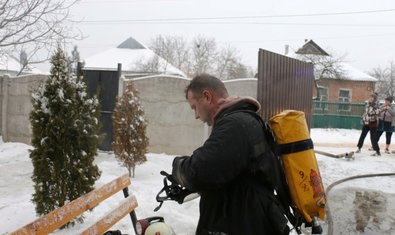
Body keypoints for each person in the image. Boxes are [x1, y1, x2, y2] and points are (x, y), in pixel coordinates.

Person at [170, 74, 289, 235]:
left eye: (194, 107)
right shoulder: (244, 120)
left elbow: (200, 171)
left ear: (207, 96)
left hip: (241, 223)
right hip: (248, 219)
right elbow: (227, 172)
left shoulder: (234, 125)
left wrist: (178, 167)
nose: (196, 115)